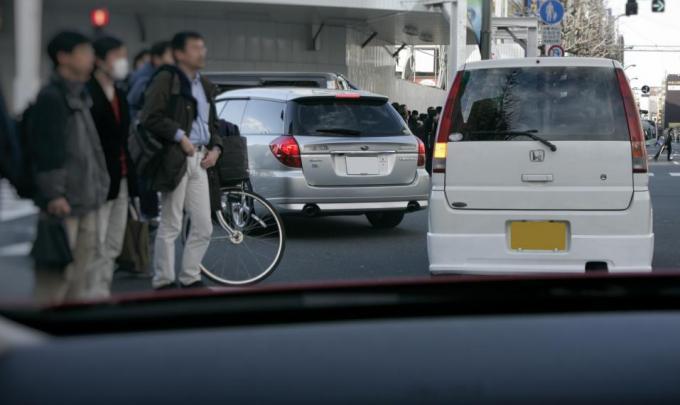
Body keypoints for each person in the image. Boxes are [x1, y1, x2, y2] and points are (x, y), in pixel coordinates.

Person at [140, 31, 223, 290]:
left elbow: (214, 124)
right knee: (171, 223)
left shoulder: (205, 84)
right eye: (196, 47)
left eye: (203, 46)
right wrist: (180, 137)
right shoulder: (166, 78)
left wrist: (216, 148)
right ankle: (163, 280)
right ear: (179, 53)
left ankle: (190, 277)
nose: (202, 52)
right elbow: (149, 116)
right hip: (175, 158)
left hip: (200, 158)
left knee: (203, 225)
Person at [32, 31, 110, 303]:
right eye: (84, 53)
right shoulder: (52, 97)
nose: (91, 59)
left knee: (80, 278)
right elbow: (47, 148)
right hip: (65, 204)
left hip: (86, 198)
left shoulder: (80, 95)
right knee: (56, 279)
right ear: (63, 57)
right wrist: (54, 194)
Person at [86, 36, 139, 298]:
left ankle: (101, 291)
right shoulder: (87, 92)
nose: (122, 61)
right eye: (117, 55)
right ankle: (89, 296)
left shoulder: (119, 93)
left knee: (113, 242)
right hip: (97, 179)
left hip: (121, 177)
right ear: (99, 60)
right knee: (94, 242)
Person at [128, 40, 173, 222]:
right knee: (145, 175)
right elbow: (135, 102)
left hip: (144, 135)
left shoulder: (152, 74)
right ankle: (147, 216)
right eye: (170, 56)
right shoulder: (146, 78)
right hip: (143, 136)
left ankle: (148, 215)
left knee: (146, 176)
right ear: (157, 58)